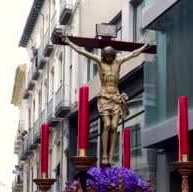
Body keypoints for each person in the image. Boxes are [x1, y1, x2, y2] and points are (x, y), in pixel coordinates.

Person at [61, 35, 148, 165]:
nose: (107, 58)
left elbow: (133, 54)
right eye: (105, 56)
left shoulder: (118, 62)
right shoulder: (99, 61)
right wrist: (69, 42)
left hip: (116, 98)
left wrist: (144, 47)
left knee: (114, 126)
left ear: (112, 55)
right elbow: (81, 51)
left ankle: (111, 155)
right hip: (104, 97)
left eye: (109, 56)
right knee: (107, 125)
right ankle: (105, 155)